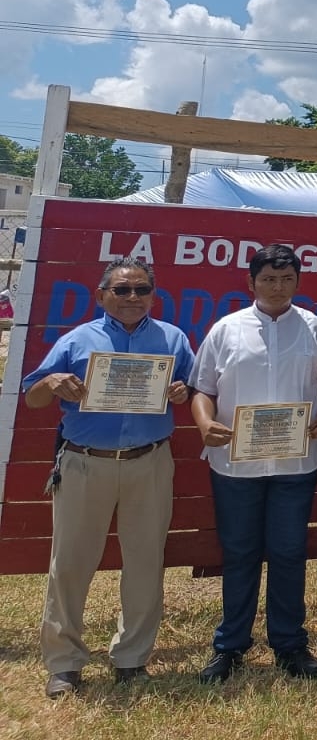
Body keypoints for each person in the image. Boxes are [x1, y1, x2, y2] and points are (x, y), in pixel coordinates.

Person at [23, 258, 194, 699]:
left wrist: (183, 391)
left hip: (149, 461)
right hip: (86, 462)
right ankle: (64, 663)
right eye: (122, 290)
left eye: (141, 290)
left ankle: (132, 659)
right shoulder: (76, 340)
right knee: (71, 565)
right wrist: (55, 381)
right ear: (101, 296)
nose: (133, 298)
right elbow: (34, 397)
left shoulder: (172, 339)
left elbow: (194, 388)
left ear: (153, 296)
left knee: (144, 562)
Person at [190, 244, 317, 684]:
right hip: (235, 467)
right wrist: (203, 423)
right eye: (269, 279)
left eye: (287, 279)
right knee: (239, 554)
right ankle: (230, 646)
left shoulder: (315, 328)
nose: (278, 287)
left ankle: (290, 644)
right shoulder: (226, 329)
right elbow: (202, 388)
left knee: (290, 554)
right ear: (251, 283)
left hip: (295, 465)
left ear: (297, 282)